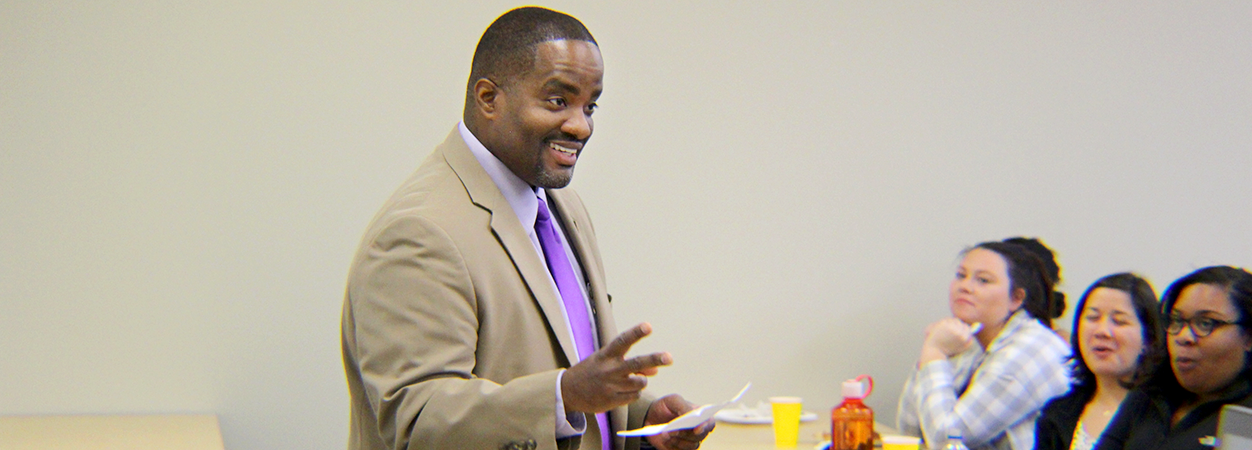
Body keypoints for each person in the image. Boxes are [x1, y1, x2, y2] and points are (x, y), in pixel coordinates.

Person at [340, 7, 712, 450]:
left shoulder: (560, 205)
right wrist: (564, 395)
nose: (581, 125)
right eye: (558, 101)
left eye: (589, 105)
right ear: (488, 98)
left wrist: (640, 420)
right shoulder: (419, 231)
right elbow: (418, 418)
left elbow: (556, 364)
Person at [896, 241, 1070, 450]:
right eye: (961, 275)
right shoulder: (968, 339)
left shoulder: (1031, 349)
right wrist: (934, 353)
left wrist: (934, 353)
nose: (965, 287)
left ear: (1016, 298)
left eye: (983, 280)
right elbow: (910, 431)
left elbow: (947, 439)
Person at [1095, 266, 1252, 450]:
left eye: (1206, 323)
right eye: (1177, 321)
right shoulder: (1151, 395)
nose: (1185, 336)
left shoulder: (1244, 415)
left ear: (1248, 337)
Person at [1035, 273, 1165, 450]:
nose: (1102, 331)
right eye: (1093, 318)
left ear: (1148, 338)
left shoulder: (1164, 414)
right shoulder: (1059, 413)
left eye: (1119, 321)